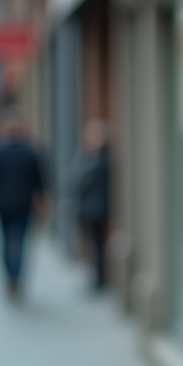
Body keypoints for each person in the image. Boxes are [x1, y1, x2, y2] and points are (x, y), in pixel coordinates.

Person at [0, 115, 47, 297]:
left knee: (5, 241)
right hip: (23, 204)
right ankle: (16, 275)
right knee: (21, 241)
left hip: (3, 205)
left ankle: (9, 276)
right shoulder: (30, 152)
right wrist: (42, 202)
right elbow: (40, 183)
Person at [72, 119, 111, 292]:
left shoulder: (101, 160)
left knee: (98, 244)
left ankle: (99, 279)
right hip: (88, 209)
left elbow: (82, 182)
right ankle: (95, 276)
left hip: (97, 209)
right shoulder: (89, 157)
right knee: (92, 244)